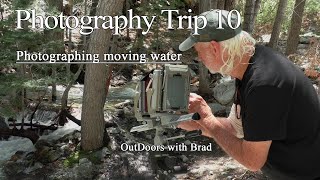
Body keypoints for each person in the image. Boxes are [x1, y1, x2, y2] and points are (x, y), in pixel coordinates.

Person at [177, 9, 320, 179]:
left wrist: (207, 118)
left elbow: (252, 161)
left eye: (198, 50)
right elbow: (234, 127)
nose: (199, 57)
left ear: (214, 48)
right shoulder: (249, 64)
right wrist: (198, 123)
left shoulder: (264, 84)